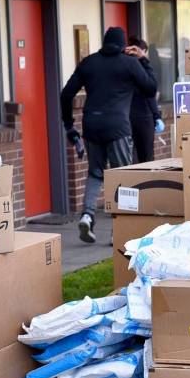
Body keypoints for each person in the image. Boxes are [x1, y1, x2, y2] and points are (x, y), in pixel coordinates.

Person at [60, 26, 157, 244]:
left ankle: (87, 215)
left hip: (91, 124)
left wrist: (69, 125)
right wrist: (143, 59)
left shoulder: (89, 62)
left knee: (95, 173)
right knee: (122, 176)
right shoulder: (130, 63)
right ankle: (119, 228)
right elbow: (151, 88)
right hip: (118, 128)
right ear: (124, 45)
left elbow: (66, 94)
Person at [127, 37, 164, 163]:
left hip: (125, 118)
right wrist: (156, 116)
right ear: (140, 51)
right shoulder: (142, 67)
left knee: (130, 158)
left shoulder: (122, 65)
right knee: (146, 158)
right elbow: (150, 93)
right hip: (143, 117)